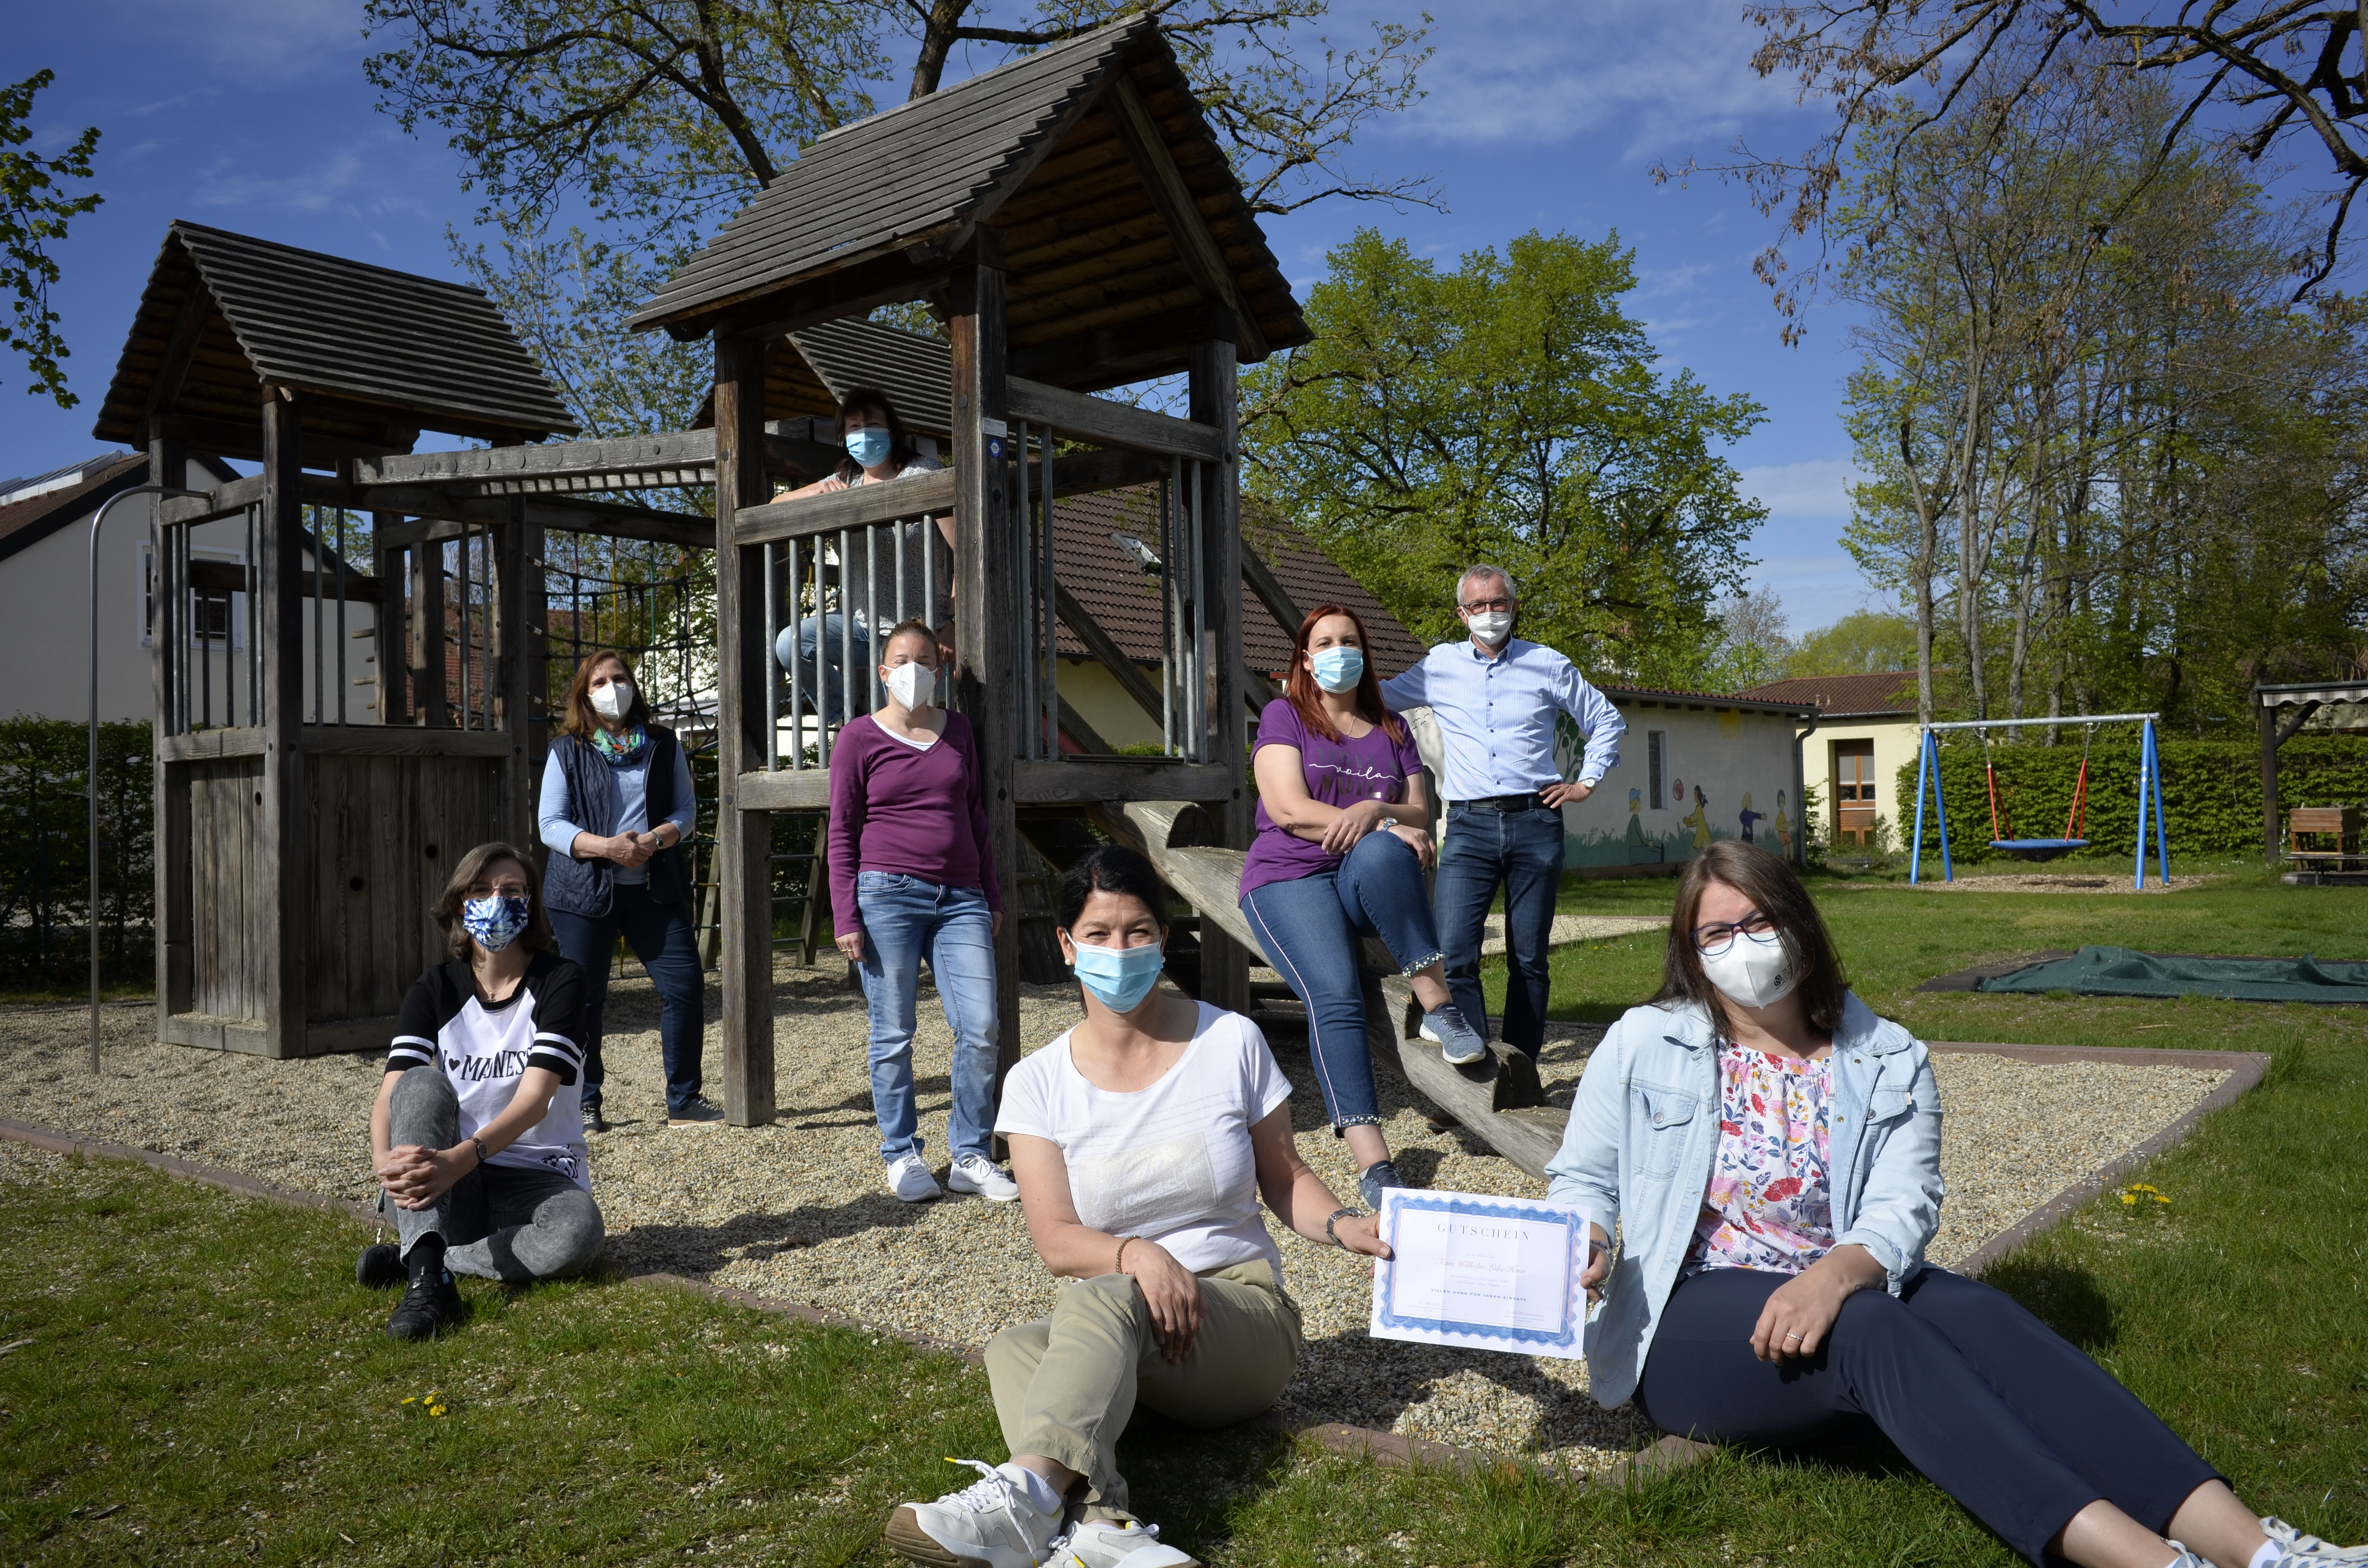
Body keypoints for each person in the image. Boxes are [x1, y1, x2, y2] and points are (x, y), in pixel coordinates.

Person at [1547, 841, 2367, 1568]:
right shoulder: (1643, 1040)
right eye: (1714, 932)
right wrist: (1585, 1227)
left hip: (1830, 1287)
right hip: (1688, 1318)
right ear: (1690, 952)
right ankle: (2151, 1563)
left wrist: (1832, 1273)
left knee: (1984, 1316)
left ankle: (2260, 1548)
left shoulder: (1888, 1055)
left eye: (1757, 920)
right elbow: (1583, 1171)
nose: (1740, 947)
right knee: (1869, 1327)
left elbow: (1905, 1202)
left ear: (1799, 923)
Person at [883, 845, 1391, 1568]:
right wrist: (1137, 1254)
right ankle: (1100, 1529)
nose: (1119, 950)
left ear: (1161, 938)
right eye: (1098, 934)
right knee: (1015, 1346)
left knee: (1099, 1301)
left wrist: (1344, 1225)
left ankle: (1024, 1498)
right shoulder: (1036, 1083)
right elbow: (1057, 1241)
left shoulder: (1230, 1040)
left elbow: (1284, 1177)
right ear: (1066, 945)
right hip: (1134, 1333)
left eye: (1139, 932)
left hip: (1238, 1321)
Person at [1237, 603, 1488, 1212]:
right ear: (1305, 656)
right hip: (1287, 876)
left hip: (1355, 877)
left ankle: (1439, 1008)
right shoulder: (1283, 715)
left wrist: (1377, 818)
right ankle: (1374, 1162)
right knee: (1337, 996)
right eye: (1323, 642)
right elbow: (1289, 808)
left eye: (1348, 640)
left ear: (1364, 653)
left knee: (1381, 853)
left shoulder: (1391, 727)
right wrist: (1372, 815)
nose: (1337, 650)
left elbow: (1418, 812)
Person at [356, 842, 604, 1341]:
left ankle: (427, 1255)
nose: (497, 899)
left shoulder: (561, 980)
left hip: (536, 1177)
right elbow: (390, 1095)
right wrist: (385, 1163)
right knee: (421, 1081)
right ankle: (428, 1283)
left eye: (513, 890)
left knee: (578, 1235)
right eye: (481, 889)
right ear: (458, 903)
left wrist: (457, 1161)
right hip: (452, 1178)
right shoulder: (434, 989)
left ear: (532, 904)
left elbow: (534, 1102)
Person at [1380, 564, 1624, 1064]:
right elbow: (1374, 701)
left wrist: (1585, 782)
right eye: (1477, 605)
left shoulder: (1547, 663)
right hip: (1467, 826)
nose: (1488, 613)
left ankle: (1520, 1070)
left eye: (1497, 603)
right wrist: (1310, 690)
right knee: (1455, 954)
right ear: (1461, 613)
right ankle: (1471, 1073)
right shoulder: (1437, 666)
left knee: (1529, 960)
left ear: (1513, 607)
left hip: (1536, 822)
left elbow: (1605, 720)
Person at [828, 619, 1015, 1203]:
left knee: (981, 1028)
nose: (912, 669)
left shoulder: (958, 730)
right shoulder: (858, 737)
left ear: (940, 669)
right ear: (882, 672)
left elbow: (975, 817)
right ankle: (901, 1153)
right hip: (886, 896)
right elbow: (841, 830)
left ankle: (970, 1155)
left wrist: (990, 894)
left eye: (923, 659)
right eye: (900, 660)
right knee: (893, 1033)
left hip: (960, 898)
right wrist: (844, 917)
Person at [538, 649, 713, 1131]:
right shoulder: (566, 750)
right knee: (585, 999)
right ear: (583, 693)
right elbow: (549, 825)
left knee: (684, 988)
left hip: (654, 887)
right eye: (599, 682)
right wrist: (607, 847)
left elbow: (685, 812)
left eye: (619, 678)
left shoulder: (662, 743)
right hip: (582, 892)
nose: (611, 688)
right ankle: (585, 1102)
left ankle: (684, 1100)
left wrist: (655, 840)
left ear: (633, 687)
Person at [775, 387, 955, 722]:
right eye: (855, 427)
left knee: (904, 719)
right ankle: (847, 718)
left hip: (921, 628)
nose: (864, 433)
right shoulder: (844, 482)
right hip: (862, 627)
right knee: (792, 642)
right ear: (844, 436)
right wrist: (817, 491)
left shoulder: (925, 474)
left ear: (891, 430)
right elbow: (774, 507)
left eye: (873, 423)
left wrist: (954, 623)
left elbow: (968, 551)